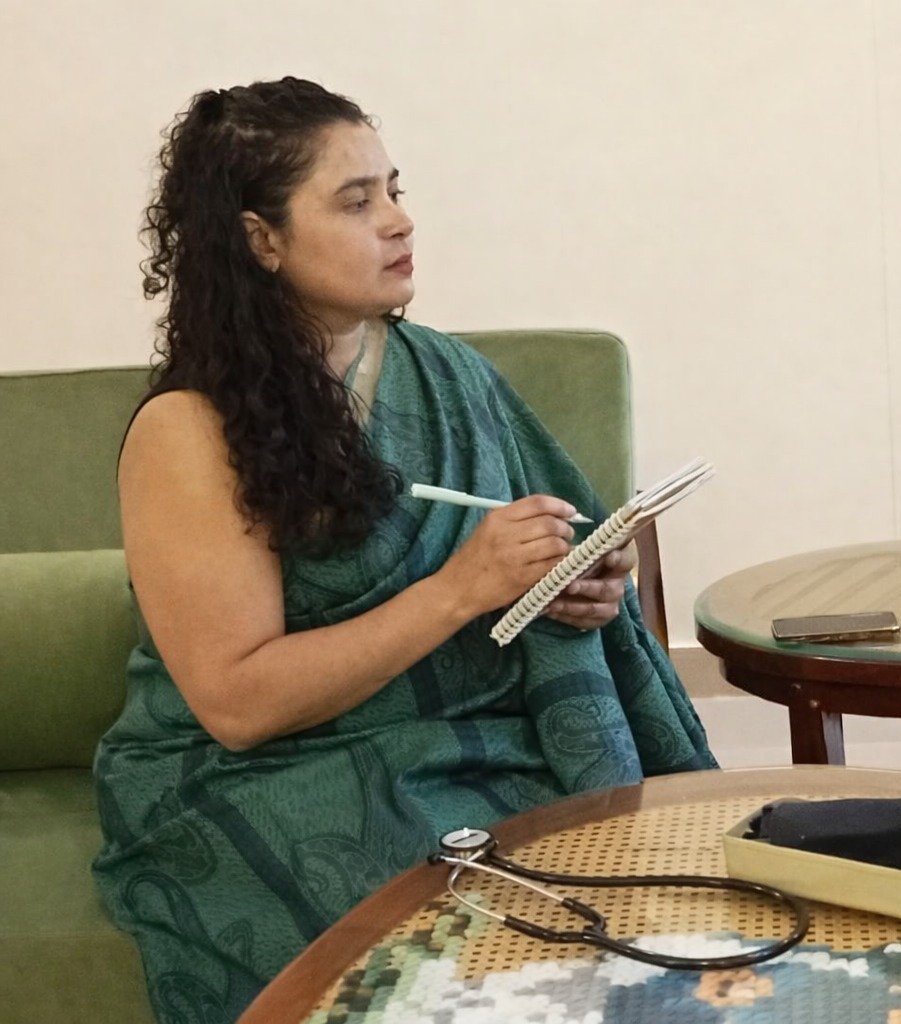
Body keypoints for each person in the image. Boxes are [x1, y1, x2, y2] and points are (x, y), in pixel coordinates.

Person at [92, 77, 715, 1024]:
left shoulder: (447, 373)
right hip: (268, 773)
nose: (399, 220)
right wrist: (463, 588)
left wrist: (577, 586)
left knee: (644, 907)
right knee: (469, 952)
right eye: (356, 202)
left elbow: (542, 558)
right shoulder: (188, 430)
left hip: (473, 735)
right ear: (261, 239)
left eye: (394, 189)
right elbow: (238, 705)